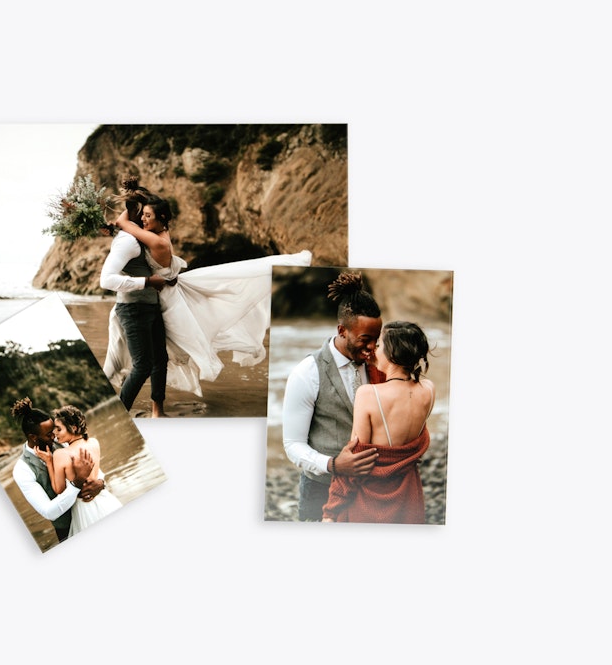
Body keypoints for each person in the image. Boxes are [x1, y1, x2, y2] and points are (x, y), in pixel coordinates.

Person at [102, 177, 313, 404]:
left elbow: (124, 223)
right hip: (152, 299)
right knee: (157, 357)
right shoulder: (147, 234)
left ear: (161, 218)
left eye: (148, 215)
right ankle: (145, 404)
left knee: (167, 353)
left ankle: (141, 403)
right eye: (142, 214)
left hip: (162, 298)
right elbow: (127, 222)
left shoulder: (156, 241)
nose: (143, 220)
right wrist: (133, 199)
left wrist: (120, 220)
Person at [281, 271, 385, 521]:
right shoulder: (307, 372)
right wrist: (334, 465)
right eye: (365, 339)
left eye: (377, 339)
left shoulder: (378, 365)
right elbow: (292, 445)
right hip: (320, 491)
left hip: (370, 489)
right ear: (342, 330)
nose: (372, 347)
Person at [322, 321, 435, 523]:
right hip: (409, 496)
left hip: (370, 500)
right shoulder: (428, 389)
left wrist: (331, 510)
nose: (374, 349)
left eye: (380, 344)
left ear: (393, 353)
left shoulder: (368, 394)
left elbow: (355, 457)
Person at [99, 180, 170, 417]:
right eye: (145, 212)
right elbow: (106, 280)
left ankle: (157, 411)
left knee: (161, 359)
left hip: (151, 306)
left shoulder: (141, 235)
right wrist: (147, 282)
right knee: (143, 366)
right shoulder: (128, 241)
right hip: (133, 309)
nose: (147, 217)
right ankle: (120, 415)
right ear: (138, 214)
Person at [9, 398, 106, 543]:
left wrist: (102, 483)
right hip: (67, 531)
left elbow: (91, 467)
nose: (54, 435)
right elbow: (49, 512)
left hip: (93, 510)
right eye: (49, 434)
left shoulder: (63, 441)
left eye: (55, 429)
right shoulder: (22, 470)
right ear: (33, 437)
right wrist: (77, 483)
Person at [38, 405, 123, 535]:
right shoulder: (94, 442)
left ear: (73, 428)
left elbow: (59, 489)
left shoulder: (61, 454)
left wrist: (49, 462)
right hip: (104, 499)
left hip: (83, 507)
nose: (54, 433)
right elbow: (96, 474)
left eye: (58, 429)